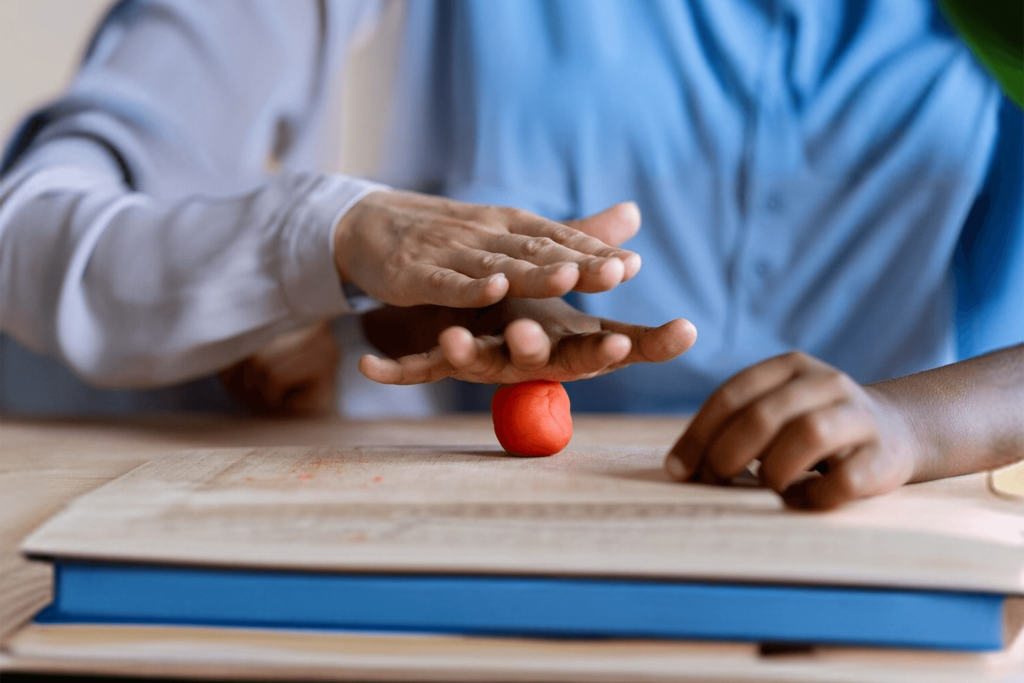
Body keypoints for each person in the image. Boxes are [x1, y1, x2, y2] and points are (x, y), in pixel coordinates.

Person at [0, 0, 1020, 510]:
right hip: (489, 516)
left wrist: (921, 422)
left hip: (885, 536)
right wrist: (341, 257)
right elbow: (35, 232)